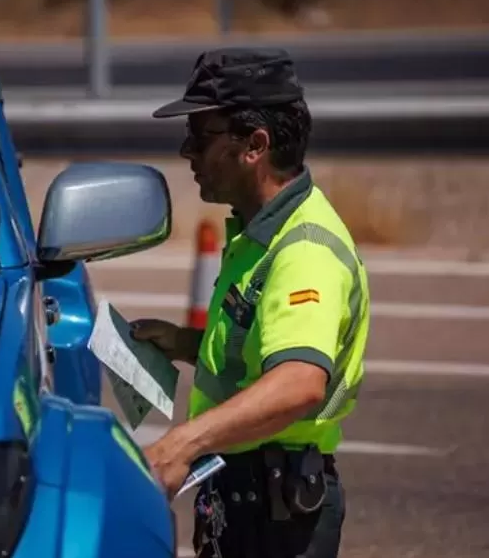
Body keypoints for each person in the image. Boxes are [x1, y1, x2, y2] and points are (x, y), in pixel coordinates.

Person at [130, 48, 371, 558]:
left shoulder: (303, 249)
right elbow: (265, 351)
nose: (187, 152)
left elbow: (299, 383)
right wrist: (185, 343)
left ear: (255, 145)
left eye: (201, 136)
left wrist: (180, 445)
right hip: (245, 495)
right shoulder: (260, 234)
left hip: (276, 515)